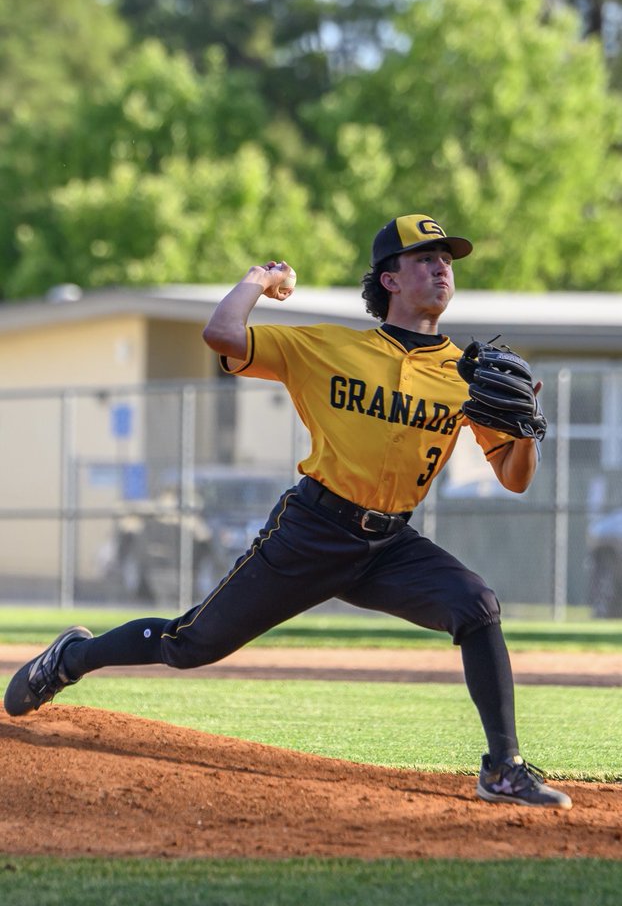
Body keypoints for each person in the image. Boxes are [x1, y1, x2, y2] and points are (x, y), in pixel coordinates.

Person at [4, 212, 571, 810]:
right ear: (389, 280)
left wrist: (527, 429)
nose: (441, 268)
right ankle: (71, 658)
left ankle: (503, 769)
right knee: (192, 644)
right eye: (425, 258)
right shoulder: (328, 346)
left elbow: (515, 479)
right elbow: (223, 335)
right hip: (313, 531)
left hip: (390, 546)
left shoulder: (468, 376)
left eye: (446, 260)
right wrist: (258, 280)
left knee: (477, 606)